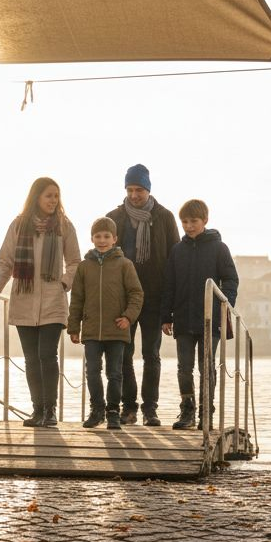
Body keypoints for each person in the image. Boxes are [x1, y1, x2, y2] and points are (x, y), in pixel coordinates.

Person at [0, 177, 82, 427]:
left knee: (47, 355)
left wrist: (63, 283)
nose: (53, 200)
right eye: (48, 195)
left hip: (53, 301)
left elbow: (74, 262)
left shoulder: (64, 226)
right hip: (24, 298)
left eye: (56, 196)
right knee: (31, 359)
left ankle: (50, 411)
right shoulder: (18, 225)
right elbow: (6, 261)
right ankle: (37, 409)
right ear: (36, 196)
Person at [106, 164, 179, 426]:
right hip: (122, 300)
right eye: (130, 189)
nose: (134, 195)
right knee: (124, 354)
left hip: (155, 298)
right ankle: (129, 408)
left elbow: (174, 262)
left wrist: (170, 307)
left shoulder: (165, 217)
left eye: (139, 189)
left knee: (151, 354)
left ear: (148, 189)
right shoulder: (114, 218)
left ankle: (150, 409)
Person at [161, 200, 238, 430]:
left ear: (205, 220)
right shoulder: (177, 250)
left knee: (207, 367)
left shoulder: (219, 248)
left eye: (193, 221)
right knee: (184, 368)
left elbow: (231, 279)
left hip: (210, 318)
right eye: (184, 221)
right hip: (183, 319)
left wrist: (225, 304)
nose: (189, 226)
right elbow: (169, 285)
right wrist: (166, 316)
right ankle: (187, 410)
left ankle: (207, 412)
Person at [67, 217, 143, 430]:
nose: (102, 240)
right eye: (98, 236)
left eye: (106, 236)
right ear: (92, 238)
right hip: (91, 330)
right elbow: (77, 299)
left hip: (117, 330)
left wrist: (128, 317)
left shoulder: (124, 265)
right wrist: (74, 327)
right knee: (92, 371)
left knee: (115, 373)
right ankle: (97, 410)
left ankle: (112, 412)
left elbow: (136, 293)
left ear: (114, 239)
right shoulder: (84, 267)